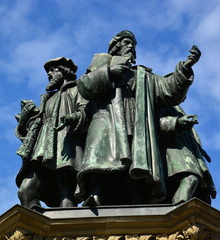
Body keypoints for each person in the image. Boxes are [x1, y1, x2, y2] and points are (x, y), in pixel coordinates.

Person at [75, 30, 201, 205]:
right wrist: (109, 72)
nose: (131, 48)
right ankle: (95, 197)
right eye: (127, 43)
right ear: (116, 47)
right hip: (108, 120)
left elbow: (168, 90)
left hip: (137, 121)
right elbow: (85, 86)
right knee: (102, 161)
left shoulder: (143, 75)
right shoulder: (101, 67)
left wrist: (184, 69)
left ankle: (136, 203)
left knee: (135, 165)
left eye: (133, 45)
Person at [15, 57, 88, 208]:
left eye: (53, 69)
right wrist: (25, 119)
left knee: (66, 195)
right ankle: (35, 230)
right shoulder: (48, 99)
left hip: (66, 147)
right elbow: (32, 130)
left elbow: (86, 113)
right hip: (41, 151)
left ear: (64, 71)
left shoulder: (77, 90)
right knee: (26, 191)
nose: (49, 74)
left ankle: (69, 231)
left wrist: (71, 118)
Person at [158, 105, 216, 204]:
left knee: (195, 184)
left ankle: (179, 213)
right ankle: (178, 214)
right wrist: (176, 122)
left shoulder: (176, 107)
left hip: (186, 146)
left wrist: (198, 149)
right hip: (172, 146)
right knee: (191, 179)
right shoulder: (161, 99)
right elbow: (150, 121)